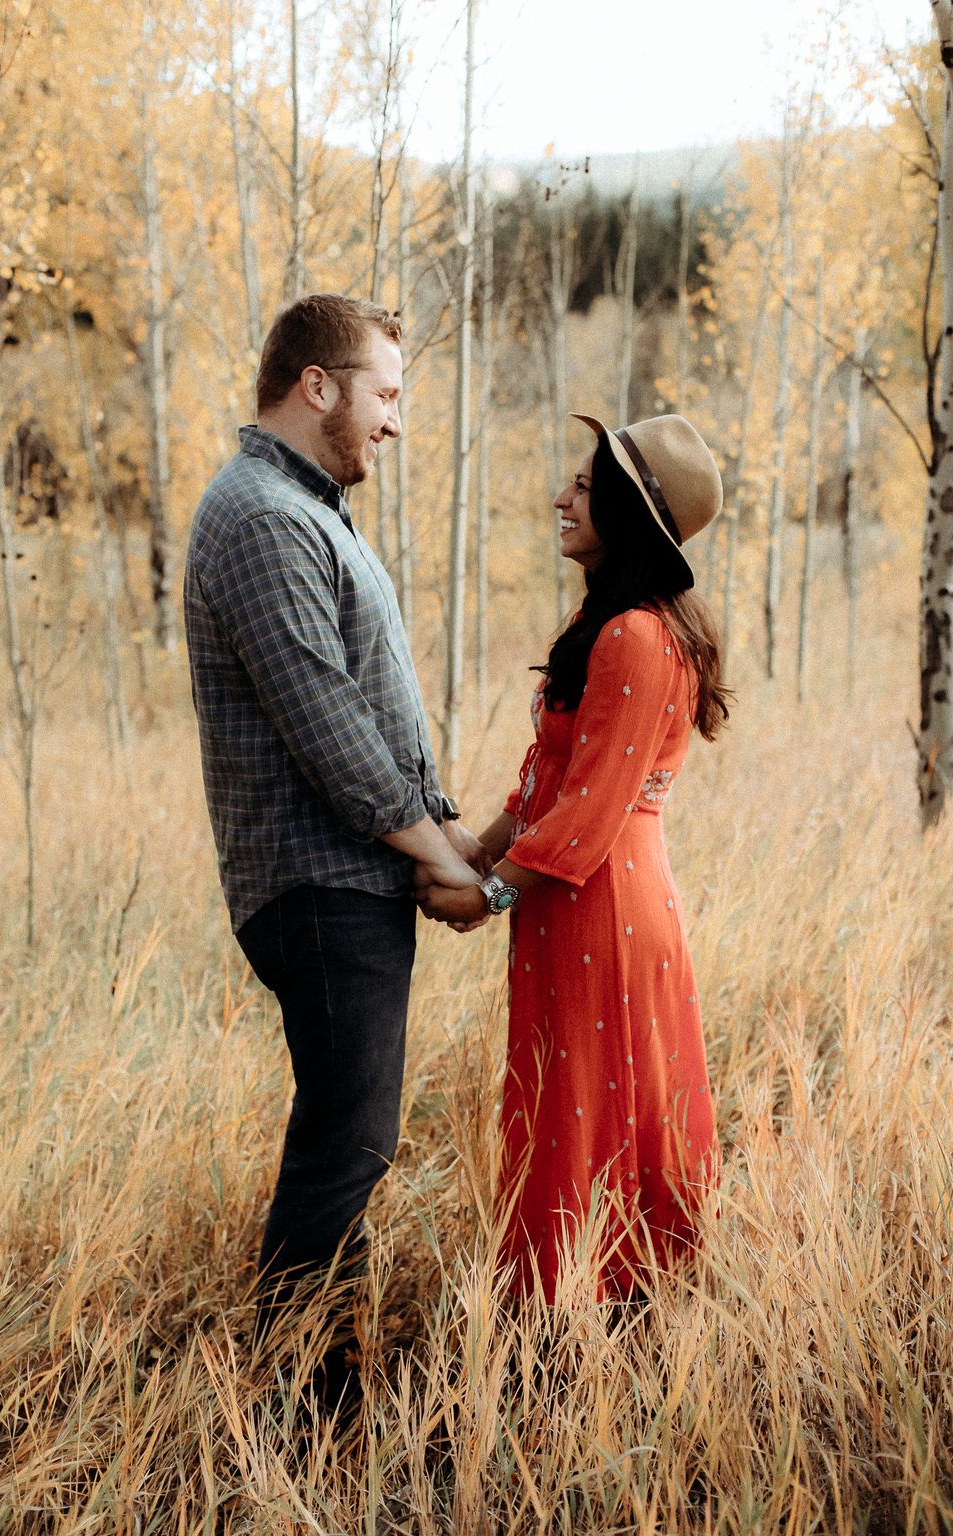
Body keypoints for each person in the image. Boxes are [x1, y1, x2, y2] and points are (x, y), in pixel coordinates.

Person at [183, 294, 486, 1397]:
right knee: (342, 1153)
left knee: (348, 1148)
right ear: (318, 385)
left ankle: (328, 1388)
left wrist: (454, 833)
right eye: (386, 394)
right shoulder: (260, 515)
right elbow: (329, 726)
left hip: (347, 879)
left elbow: (376, 710)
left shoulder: (303, 507)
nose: (395, 423)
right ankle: (297, 1413)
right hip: (316, 888)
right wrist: (457, 869)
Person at [416, 412, 731, 1302]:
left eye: (585, 487)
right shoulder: (613, 623)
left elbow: (589, 809)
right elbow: (549, 782)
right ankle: (582, 1304)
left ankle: (584, 1310)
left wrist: (486, 899)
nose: (562, 497)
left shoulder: (637, 635)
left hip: (604, 899)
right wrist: (474, 850)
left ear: (629, 512)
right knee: (576, 1100)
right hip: (583, 893)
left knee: (594, 1104)